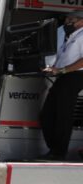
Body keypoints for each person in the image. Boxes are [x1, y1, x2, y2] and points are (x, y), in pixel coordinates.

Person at [39, 12, 83, 161]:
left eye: (71, 19)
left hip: (76, 75)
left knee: (63, 114)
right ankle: (55, 150)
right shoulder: (66, 34)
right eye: (66, 19)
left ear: (81, 21)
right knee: (47, 115)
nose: (67, 22)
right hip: (64, 75)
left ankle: (58, 152)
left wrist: (62, 70)